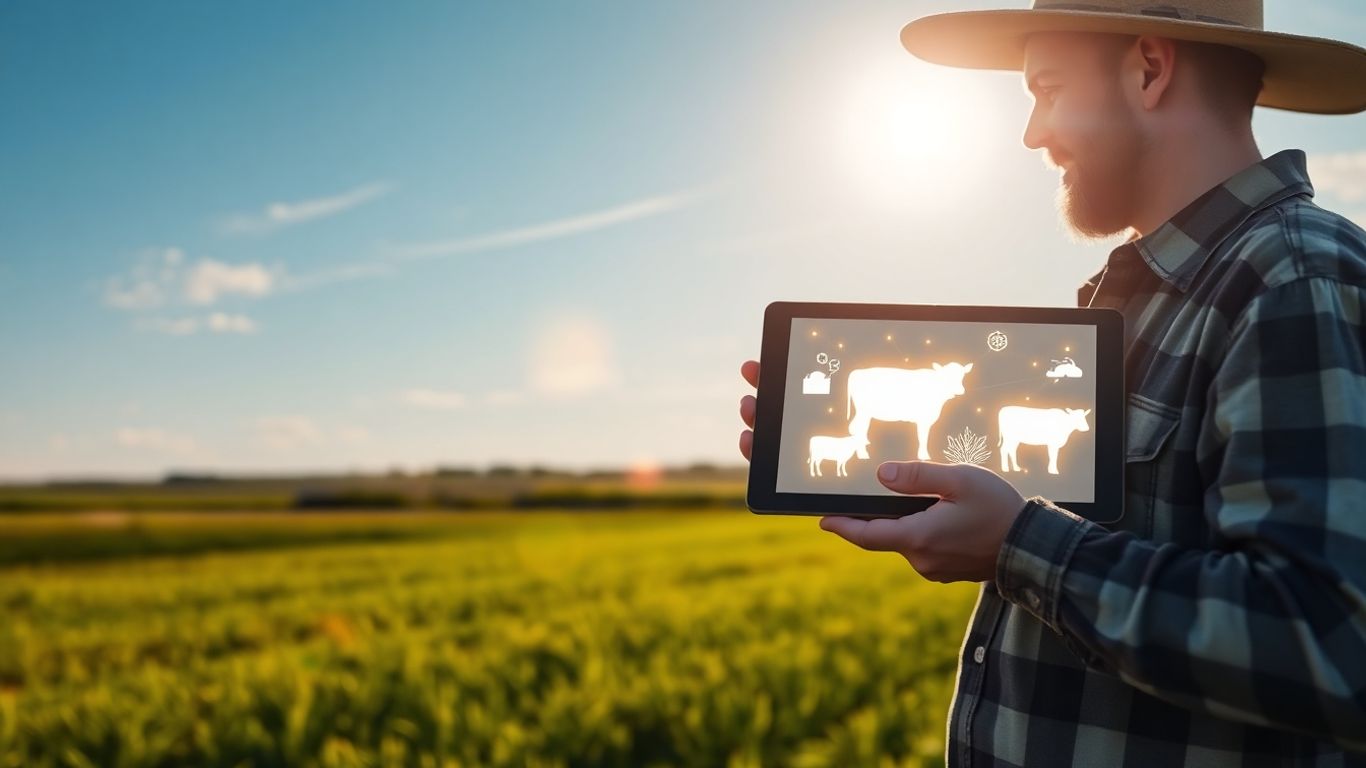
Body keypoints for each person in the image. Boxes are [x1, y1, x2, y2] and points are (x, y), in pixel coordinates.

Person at [737, 1, 1366, 765]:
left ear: (1148, 68)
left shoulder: (1292, 281)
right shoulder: (1136, 298)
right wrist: (964, 503)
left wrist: (1017, 544)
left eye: (1048, 88)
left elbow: (1331, 647)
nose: (1033, 132)